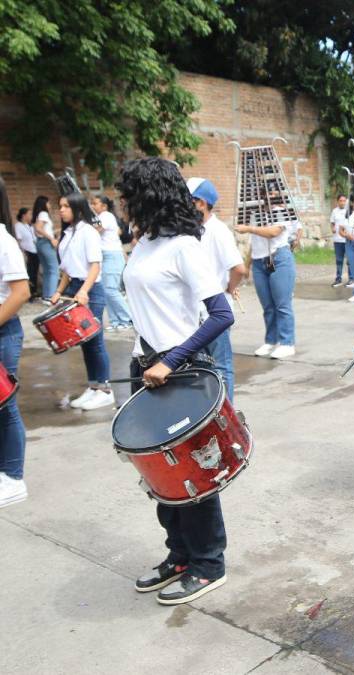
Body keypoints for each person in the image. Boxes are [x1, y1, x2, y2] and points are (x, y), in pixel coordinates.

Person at [117, 157, 235, 605]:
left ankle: (209, 563)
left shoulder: (185, 245)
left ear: (150, 194)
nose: (123, 201)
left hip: (177, 370)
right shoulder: (146, 241)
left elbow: (220, 315)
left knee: (189, 473)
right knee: (156, 473)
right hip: (143, 366)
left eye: (129, 193)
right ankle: (180, 555)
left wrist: (171, 361)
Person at [49, 192, 115, 410]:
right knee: (84, 342)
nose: (61, 210)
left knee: (95, 342)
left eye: (66, 206)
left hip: (91, 289)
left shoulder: (88, 232)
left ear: (77, 208)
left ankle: (105, 390)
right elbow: (67, 269)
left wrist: (84, 291)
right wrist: (58, 291)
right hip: (75, 287)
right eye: (60, 206)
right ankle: (93, 386)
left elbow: (95, 265)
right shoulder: (68, 233)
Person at [188, 177, 245, 400]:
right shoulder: (193, 231)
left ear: (201, 203)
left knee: (220, 366)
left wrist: (229, 287)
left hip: (213, 311)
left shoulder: (217, 231)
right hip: (196, 311)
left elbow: (239, 268)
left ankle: (226, 418)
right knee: (204, 369)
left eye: (188, 200)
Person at [234, 197, 297, 359]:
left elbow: (273, 232)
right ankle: (271, 341)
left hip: (279, 258)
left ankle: (287, 343)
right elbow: (254, 243)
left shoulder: (280, 211)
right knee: (268, 306)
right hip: (259, 262)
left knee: (282, 304)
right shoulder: (255, 215)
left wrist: (249, 228)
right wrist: (246, 265)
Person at [0, 178, 31, 508]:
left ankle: (13, 477)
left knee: (4, 405)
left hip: (4, 333)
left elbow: (21, 292)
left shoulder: (2, 239)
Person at [91, 195, 133, 330]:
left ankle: (128, 318)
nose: (93, 206)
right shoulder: (100, 217)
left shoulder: (106, 215)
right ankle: (116, 321)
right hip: (105, 256)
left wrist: (90, 215)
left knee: (111, 290)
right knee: (106, 290)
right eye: (92, 203)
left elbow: (97, 229)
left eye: (95, 204)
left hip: (112, 255)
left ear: (104, 206)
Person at [31, 195, 59, 302]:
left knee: (47, 271)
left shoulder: (38, 214)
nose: (50, 205)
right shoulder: (43, 214)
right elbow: (38, 228)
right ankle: (51, 297)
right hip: (46, 243)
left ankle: (46, 296)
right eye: (48, 203)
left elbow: (39, 229)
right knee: (54, 270)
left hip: (40, 243)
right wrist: (51, 238)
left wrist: (55, 232)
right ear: (44, 204)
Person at [13, 207, 39, 300]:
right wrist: (23, 252)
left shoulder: (29, 226)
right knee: (29, 273)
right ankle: (29, 294)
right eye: (29, 214)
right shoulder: (18, 226)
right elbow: (19, 240)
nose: (31, 216)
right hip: (27, 252)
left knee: (34, 273)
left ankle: (34, 292)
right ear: (24, 215)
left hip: (34, 251)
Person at [330, 194, 350, 287]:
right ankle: (338, 279)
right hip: (337, 240)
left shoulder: (349, 211)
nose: (342, 202)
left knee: (349, 260)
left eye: (344, 201)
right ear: (338, 201)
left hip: (347, 239)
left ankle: (351, 279)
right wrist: (333, 228)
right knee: (339, 260)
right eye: (341, 201)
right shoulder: (334, 211)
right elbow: (332, 223)